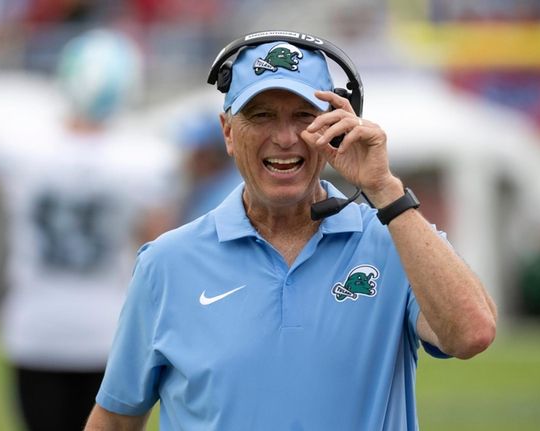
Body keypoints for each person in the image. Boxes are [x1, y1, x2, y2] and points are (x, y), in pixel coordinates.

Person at [85, 33, 497, 431]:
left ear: (337, 126)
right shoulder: (166, 263)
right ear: (228, 132)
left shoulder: (395, 241)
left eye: (304, 116)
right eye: (262, 115)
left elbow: (472, 334)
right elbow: (116, 419)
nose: (285, 138)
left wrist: (385, 189)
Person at [0, 29, 178, 431]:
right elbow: (159, 248)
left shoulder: (24, 146)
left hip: (35, 329)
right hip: (110, 332)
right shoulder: (144, 157)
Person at [174, 109, 242, 223]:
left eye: (198, 154)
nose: (189, 160)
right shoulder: (202, 187)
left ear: (215, 155)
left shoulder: (230, 194)